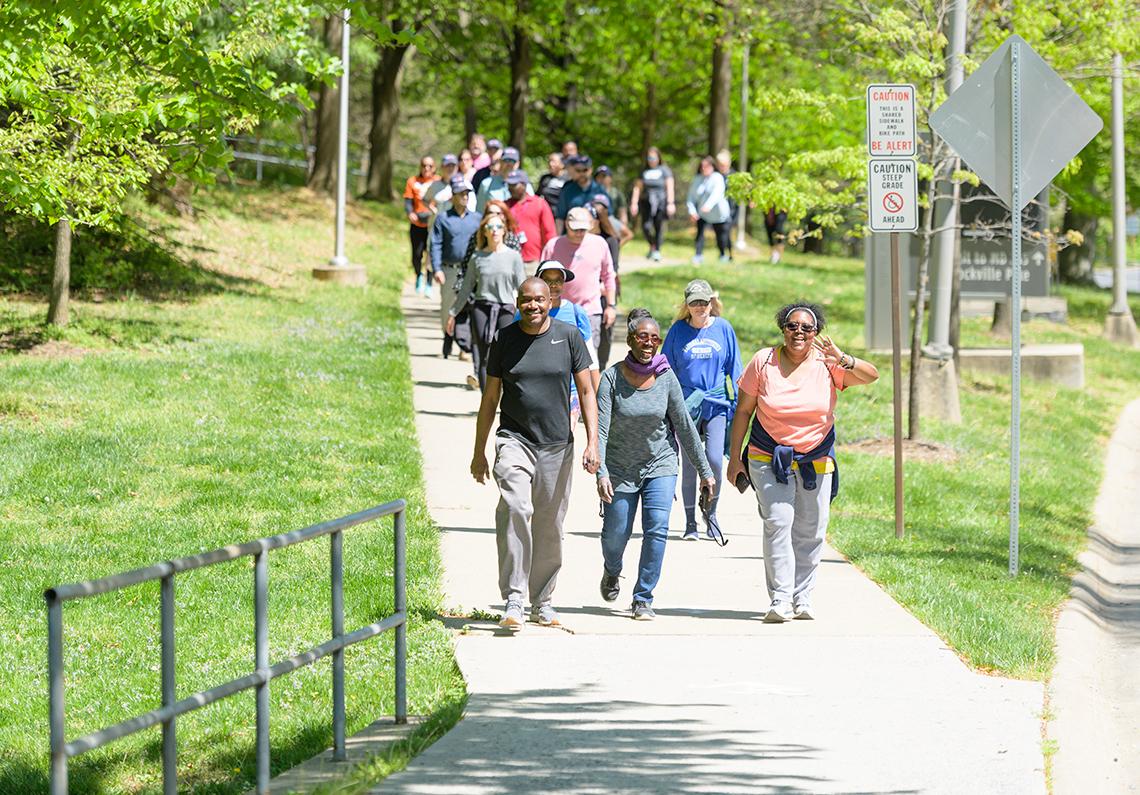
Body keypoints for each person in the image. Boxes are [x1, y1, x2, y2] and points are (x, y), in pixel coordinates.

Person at [725, 302, 879, 623]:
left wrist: (843, 358)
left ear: (816, 332)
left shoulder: (828, 363)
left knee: (811, 529)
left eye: (807, 328)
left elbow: (871, 375)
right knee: (778, 521)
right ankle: (780, 598)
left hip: (816, 456)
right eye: (792, 326)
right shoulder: (763, 361)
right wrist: (735, 457)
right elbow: (743, 411)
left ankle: (802, 596)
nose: (799, 332)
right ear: (783, 329)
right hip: (767, 454)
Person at [471, 277, 600, 630]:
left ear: (550, 301)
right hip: (514, 439)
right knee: (515, 507)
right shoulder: (505, 339)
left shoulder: (568, 336)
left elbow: (586, 391)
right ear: (517, 303)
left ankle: (542, 601)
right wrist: (479, 451)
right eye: (526, 300)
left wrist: (592, 441)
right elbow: (490, 398)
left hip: (557, 444)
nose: (533, 306)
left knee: (550, 524)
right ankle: (514, 598)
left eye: (539, 300)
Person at [596, 309, 715, 621]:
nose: (648, 343)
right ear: (630, 340)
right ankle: (612, 569)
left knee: (657, 529)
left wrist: (705, 471)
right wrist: (601, 471)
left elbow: (685, 426)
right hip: (619, 467)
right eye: (642, 337)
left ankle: (643, 597)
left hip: (660, 464)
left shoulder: (665, 377)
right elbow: (600, 430)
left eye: (654, 338)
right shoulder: (611, 378)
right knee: (615, 535)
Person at [662, 279, 742, 540]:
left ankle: (712, 514)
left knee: (715, 460)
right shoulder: (677, 331)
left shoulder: (724, 328)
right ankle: (690, 523)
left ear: (711, 302)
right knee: (690, 464)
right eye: (694, 302)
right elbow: (665, 369)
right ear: (687, 305)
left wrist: (739, 402)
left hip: (717, 403)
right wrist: (666, 405)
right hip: (687, 405)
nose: (700, 307)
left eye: (704, 302)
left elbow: (735, 368)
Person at [448, 213, 527, 390]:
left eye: (498, 227)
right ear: (484, 232)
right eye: (490, 227)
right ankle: (486, 399)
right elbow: (466, 288)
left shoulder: (514, 256)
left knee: (505, 355)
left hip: (505, 309)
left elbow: (523, 288)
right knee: (485, 356)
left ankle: (503, 395)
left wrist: (528, 313)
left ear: (504, 230)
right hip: (482, 308)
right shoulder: (477, 257)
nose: (494, 231)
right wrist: (453, 313)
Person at [540, 206, 616, 380]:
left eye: (583, 229)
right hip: (558, 310)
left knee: (589, 358)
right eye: (576, 229)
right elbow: (540, 279)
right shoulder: (553, 245)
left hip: (590, 310)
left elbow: (608, 275)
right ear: (567, 224)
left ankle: (586, 394)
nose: (579, 233)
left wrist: (611, 306)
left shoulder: (599, 244)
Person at [530, 260, 599, 425]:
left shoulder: (576, 313)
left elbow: (591, 359)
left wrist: (598, 399)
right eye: (548, 280)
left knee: (564, 437)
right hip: (533, 392)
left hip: (569, 392)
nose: (553, 285)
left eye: (558, 280)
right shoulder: (527, 313)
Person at [430, 175, 481, 359]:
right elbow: (435, 244)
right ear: (453, 196)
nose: (465, 197)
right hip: (449, 269)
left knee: (469, 307)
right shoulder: (442, 218)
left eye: (467, 193)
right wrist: (437, 269)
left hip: (471, 270)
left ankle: (463, 346)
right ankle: (448, 338)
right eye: (461, 194)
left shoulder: (477, 219)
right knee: (448, 307)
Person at [629, 147, 675, 261]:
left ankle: (657, 250)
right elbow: (637, 188)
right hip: (646, 202)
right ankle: (652, 245)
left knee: (658, 226)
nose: (651, 160)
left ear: (658, 158)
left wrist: (670, 203)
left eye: (654, 158)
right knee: (646, 227)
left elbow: (670, 187)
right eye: (649, 158)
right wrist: (634, 203)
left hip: (661, 202)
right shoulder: (643, 171)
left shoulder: (664, 170)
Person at [686, 156, 732, 265]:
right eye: (702, 166)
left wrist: (708, 205)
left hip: (718, 214)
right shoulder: (697, 179)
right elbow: (691, 197)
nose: (704, 168)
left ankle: (723, 255)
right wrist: (692, 211)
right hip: (702, 213)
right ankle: (698, 255)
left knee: (721, 236)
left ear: (712, 166)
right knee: (700, 234)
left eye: (706, 166)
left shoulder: (717, 177)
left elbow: (717, 193)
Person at [404, 156, 439, 297]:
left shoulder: (438, 181)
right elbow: (408, 201)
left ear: (434, 168)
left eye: (430, 166)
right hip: (417, 223)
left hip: (433, 224)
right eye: (424, 165)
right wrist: (410, 213)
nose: (427, 168)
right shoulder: (412, 181)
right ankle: (419, 275)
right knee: (417, 254)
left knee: (431, 254)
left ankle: (429, 283)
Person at [506, 170, 555, 267]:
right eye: (509, 185)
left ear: (524, 185)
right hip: (509, 261)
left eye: (514, 185)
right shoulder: (505, 205)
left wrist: (549, 259)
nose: (510, 188)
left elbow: (549, 233)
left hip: (532, 261)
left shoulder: (539, 203)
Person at [555, 155, 607, 231]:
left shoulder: (599, 189)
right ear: (573, 170)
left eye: (585, 170)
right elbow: (560, 218)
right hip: (572, 234)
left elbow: (608, 216)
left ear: (591, 170)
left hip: (595, 234)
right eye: (578, 170)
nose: (582, 173)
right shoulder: (567, 189)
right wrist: (558, 236)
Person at [477, 147, 529, 212]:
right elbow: (479, 212)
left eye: (513, 161)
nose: (509, 164)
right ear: (500, 162)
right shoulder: (486, 184)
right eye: (506, 160)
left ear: (518, 164)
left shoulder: (524, 185)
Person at [715, 149, 740, 236]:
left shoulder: (735, 176)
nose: (721, 167)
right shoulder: (715, 175)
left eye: (723, 165)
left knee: (726, 234)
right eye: (720, 165)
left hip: (731, 210)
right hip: (717, 211)